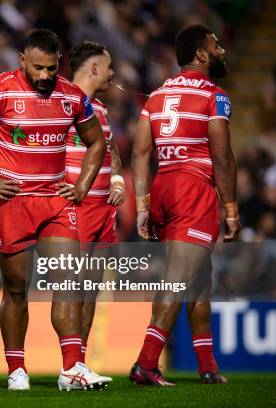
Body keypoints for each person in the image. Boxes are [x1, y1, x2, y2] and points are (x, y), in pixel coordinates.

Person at [0, 29, 111, 391]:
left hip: (56, 202)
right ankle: (16, 369)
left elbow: (97, 142)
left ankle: (71, 368)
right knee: (17, 290)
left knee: (68, 281)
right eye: (38, 68)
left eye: (51, 68)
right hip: (12, 203)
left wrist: (81, 185)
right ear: (22, 60)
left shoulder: (72, 96)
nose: (46, 76)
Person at [130, 24, 240, 386]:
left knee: (199, 280)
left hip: (164, 187)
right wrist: (231, 209)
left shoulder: (157, 95)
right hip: (194, 189)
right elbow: (222, 157)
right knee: (178, 280)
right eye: (216, 44)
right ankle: (146, 363)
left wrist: (144, 205)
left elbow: (141, 153)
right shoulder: (214, 96)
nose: (222, 49)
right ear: (202, 54)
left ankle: (207, 365)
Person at [62, 41, 125, 363]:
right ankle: (70, 363)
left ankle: (80, 362)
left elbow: (110, 148)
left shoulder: (99, 109)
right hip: (76, 208)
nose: (113, 73)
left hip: (104, 211)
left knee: (91, 288)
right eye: (109, 66)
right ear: (95, 68)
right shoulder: (59, 102)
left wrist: (117, 179)